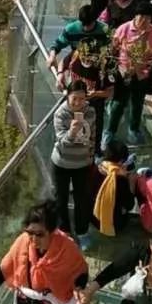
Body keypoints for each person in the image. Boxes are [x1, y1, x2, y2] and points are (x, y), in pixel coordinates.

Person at [103, 2, 152, 147]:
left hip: (142, 74)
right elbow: (113, 49)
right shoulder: (124, 29)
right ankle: (110, 132)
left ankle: (134, 130)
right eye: (142, 18)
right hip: (124, 72)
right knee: (119, 103)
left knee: (137, 103)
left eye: (148, 19)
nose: (144, 22)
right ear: (135, 16)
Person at [52, 81, 96, 249]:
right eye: (74, 99)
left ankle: (82, 231)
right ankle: (65, 233)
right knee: (60, 199)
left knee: (81, 199)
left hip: (82, 163)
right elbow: (61, 142)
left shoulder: (90, 112)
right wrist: (72, 132)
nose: (78, 103)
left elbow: (92, 135)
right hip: (62, 163)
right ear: (67, 97)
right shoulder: (61, 114)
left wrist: (91, 155)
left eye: (82, 99)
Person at [57, 40, 114, 156]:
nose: (87, 61)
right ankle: (65, 151)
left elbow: (109, 92)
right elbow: (63, 62)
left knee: (93, 131)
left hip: (93, 105)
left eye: (90, 59)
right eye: (85, 57)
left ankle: (94, 153)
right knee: (66, 127)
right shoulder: (75, 56)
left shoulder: (102, 68)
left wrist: (95, 94)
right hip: (72, 102)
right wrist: (60, 74)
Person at [91, 139, 135, 236]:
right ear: (121, 161)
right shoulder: (120, 180)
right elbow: (130, 206)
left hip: (94, 219)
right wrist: (131, 183)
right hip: (114, 225)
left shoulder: (96, 168)